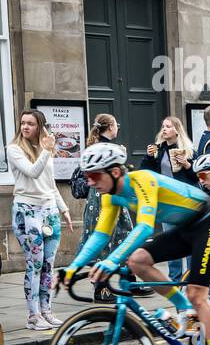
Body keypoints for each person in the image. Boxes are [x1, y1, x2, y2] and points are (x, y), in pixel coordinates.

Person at [61, 143, 210, 345]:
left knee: (198, 294)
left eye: (94, 175)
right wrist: (72, 267)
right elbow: (100, 235)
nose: (90, 182)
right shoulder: (112, 196)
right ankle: (185, 309)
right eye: (87, 176)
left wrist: (110, 261)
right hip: (184, 230)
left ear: (115, 172)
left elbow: (143, 227)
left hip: (207, 226)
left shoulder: (143, 180)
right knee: (137, 261)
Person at [8, 109, 73, 329]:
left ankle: (46, 310)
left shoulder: (44, 149)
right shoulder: (14, 149)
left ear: (40, 127)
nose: (25, 127)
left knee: (48, 265)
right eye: (23, 123)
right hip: (27, 211)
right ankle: (33, 316)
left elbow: (49, 183)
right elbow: (33, 172)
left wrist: (63, 209)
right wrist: (46, 150)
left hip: (49, 211)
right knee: (34, 265)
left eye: (30, 124)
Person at [142, 115, 197, 282]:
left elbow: (198, 177)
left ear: (176, 130)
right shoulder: (158, 149)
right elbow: (145, 172)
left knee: (188, 241)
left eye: (168, 126)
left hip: (185, 202)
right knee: (172, 241)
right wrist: (149, 157)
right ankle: (175, 279)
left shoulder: (187, 150)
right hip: (167, 203)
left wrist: (187, 165)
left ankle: (191, 278)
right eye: (163, 126)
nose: (164, 129)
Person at [76, 113, 133, 258]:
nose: (117, 129)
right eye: (116, 125)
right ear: (110, 127)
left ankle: (98, 271)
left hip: (94, 198)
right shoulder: (110, 149)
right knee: (121, 231)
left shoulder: (92, 147)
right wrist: (121, 156)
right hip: (108, 192)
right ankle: (125, 269)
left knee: (98, 230)